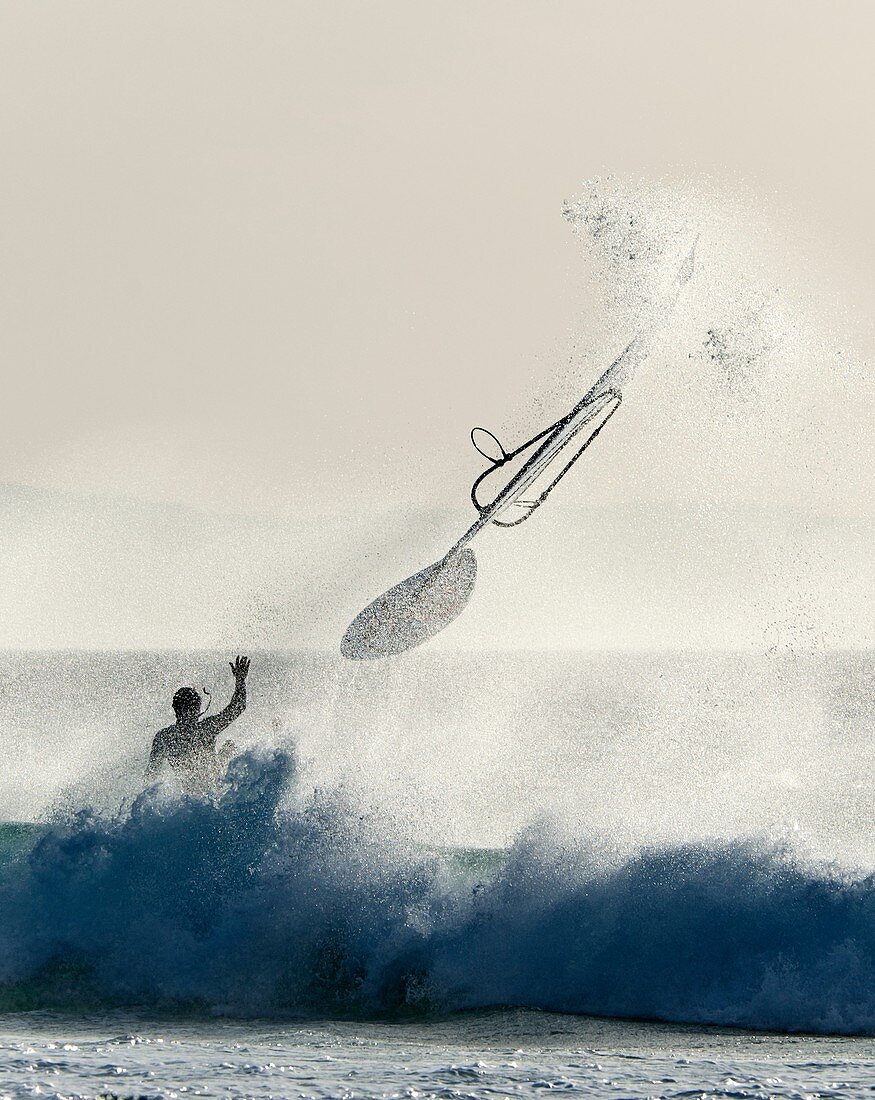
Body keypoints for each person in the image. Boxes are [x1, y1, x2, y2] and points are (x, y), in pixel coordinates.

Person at [146, 655, 250, 787]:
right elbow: (238, 707)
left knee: (227, 749)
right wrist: (240, 681)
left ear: (175, 708)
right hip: (213, 789)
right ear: (197, 709)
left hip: (188, 796)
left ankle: (222, 758)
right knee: (229, 748)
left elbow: (150, 775)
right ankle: (223, 759)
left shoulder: (164, 737)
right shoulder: (205, 728)